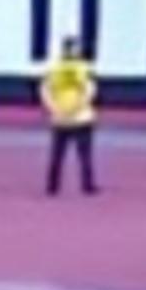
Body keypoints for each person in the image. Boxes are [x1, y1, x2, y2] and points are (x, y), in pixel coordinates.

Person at [40, 37, 99, 197]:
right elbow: (90, 90)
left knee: (64, 155)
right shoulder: (82, 68)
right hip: (76, 117)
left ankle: (55, 186)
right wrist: (74, 107)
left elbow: (45, 91)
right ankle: (83, 186)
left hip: (68, 117)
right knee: (76, 154)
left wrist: (55, 108)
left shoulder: (56, 67)